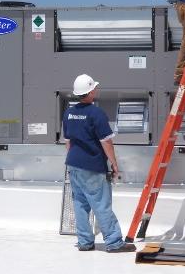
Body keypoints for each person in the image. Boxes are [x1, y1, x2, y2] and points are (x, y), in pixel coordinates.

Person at [62, 74, 136, 253]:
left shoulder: (69, 112)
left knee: (80, 204)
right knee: (101, 204)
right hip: (92, 166)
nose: (96, 89)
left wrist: (73, 160)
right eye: (94, 87)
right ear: (90, 92)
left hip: (73, 165)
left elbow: (68, 141)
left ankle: (85, 242)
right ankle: (114, 242)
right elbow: (106, 142)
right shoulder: (96, 113)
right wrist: (114, 164)